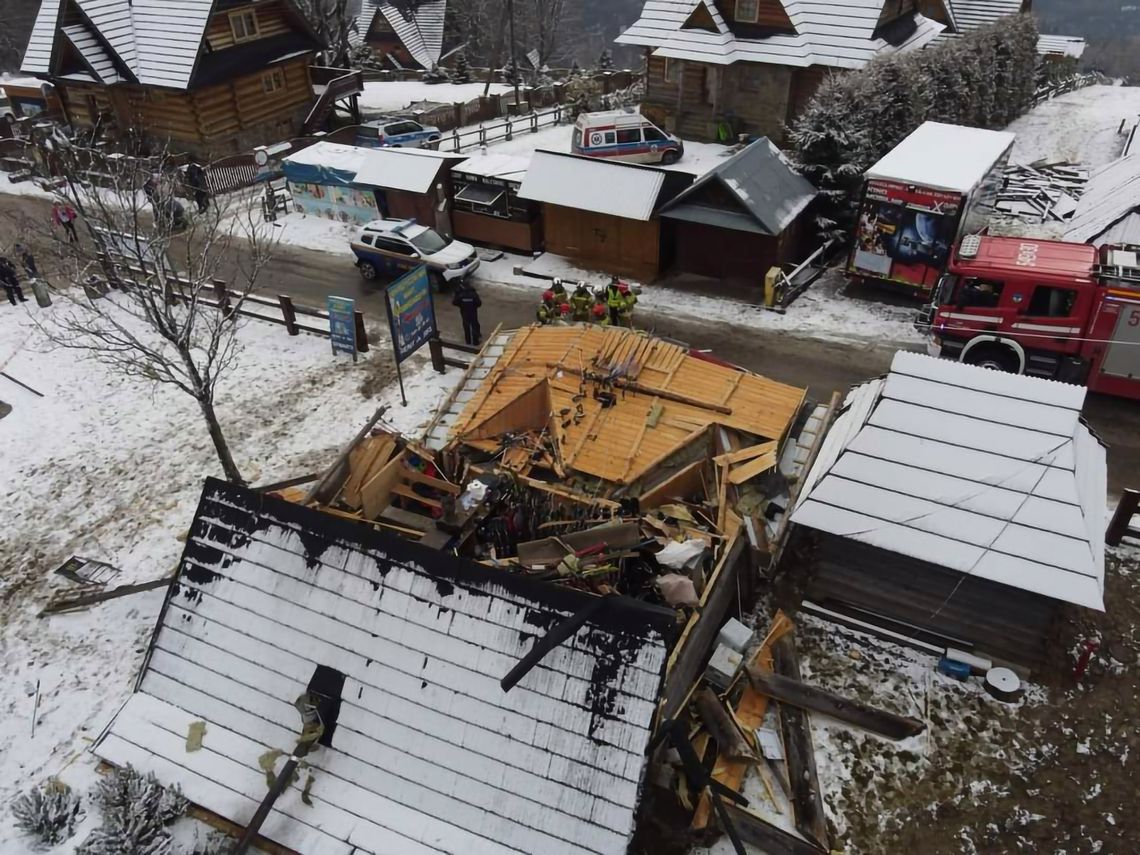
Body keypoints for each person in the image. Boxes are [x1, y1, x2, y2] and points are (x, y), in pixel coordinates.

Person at [452, 278, 482, 346]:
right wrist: (474, 306)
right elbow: (479, 303)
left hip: (464, 312)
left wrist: (461, 305)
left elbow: (454, 302)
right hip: (473, 312)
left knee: (466, 327)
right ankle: (476, 341)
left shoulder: (460, 294)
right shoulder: (473, 293)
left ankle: (468, 342)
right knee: (475, 325)